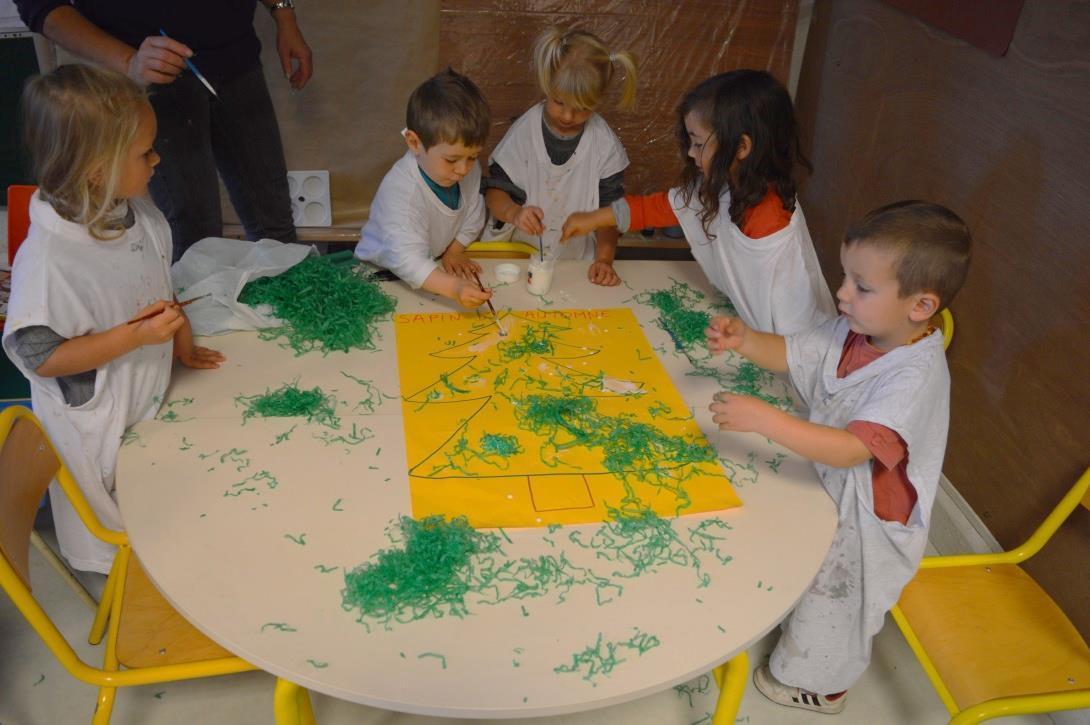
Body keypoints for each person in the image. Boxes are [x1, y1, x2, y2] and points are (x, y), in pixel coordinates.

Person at [705, 201, 972, 713]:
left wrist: (766, 420)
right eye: (845, 277)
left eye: (861, 286)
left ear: (919, 307)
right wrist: (745, 341)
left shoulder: (915, 376)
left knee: (833, 604)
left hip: (866, 520)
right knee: (797, 555)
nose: (842, 294)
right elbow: (795, 353)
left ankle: (821, 685)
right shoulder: (862, 329)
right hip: (830, 483)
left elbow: (853, 451)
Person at [2, 65, 226, 574]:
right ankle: (141, 579)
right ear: (98, 170)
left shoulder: (138, 214)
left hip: (145, 408)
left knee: (175, 507)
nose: (157, 158)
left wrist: (181, 345)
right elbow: (44, 357)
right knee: (138, 537)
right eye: (145, 152)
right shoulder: (51, 262)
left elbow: (157, 288)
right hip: (98, 428)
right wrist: (135, 337)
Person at [15, 0, 313, 262]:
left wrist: (283, 13)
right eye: (146, 155)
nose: (154, 160)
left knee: (272, 218)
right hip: (149, 73)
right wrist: (129, 61)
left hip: (235, 56)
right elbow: (41, 6)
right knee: (194, 231)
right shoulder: (56, 252)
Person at [561, 70, 836, 334]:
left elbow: (797, 332)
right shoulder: (726, 185)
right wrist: (594, 219)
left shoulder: (770, 223)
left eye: (698, 143)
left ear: (741, 147)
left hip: (793, 362)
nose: (692, 154)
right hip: (756, 338)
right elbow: (662, 207)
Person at [482, 26, 637, 286]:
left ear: (598, 102)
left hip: (575, 261)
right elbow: (494, 193)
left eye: (582, 108)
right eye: (559, 102)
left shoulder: (603, 144)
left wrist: (604, 260)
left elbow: (611, 214)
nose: (567, 116)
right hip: (515, 257)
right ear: (547, 86)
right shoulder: (525, 130)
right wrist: (514, 212)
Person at [354, 68, 492, 309]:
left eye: (473, 157)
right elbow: (408, 261)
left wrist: (455, 251)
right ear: (415, 143)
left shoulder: (464, 165)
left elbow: (473, 212)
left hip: (430, 269)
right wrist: (455, 287)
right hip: (379, 278)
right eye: (452, 160)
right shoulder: (401, 193)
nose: (463, 170)